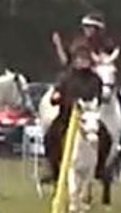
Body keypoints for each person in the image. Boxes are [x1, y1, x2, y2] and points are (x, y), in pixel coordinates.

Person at [43, 42, 104, 183]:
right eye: (80, 59)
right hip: (67, 116)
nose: (83, 62)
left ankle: (101, 168)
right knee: (51, 136)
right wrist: (56, 98)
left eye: (86, 59)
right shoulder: (65, 77)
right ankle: (54, 169)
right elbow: (57, 93)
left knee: (105, 137)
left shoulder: (95, 79)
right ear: (75, 60)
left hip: (89, 117)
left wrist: (91, 106)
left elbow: (99, 97)